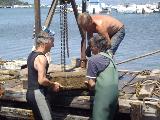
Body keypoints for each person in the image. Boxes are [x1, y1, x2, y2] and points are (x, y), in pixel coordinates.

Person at [26, 29, 62, 120]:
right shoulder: (41, 57)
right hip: (38, 94)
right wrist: (53, 84)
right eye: (52, 42)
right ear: (45, 43)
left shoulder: (31, 54)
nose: (53, 45)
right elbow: (41, 80)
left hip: (30, 92)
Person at [85, 34, 118, 120]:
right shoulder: (111, 57)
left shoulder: (93, 60)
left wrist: (88, 83)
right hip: (114, 96)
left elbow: (92, 84)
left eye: (91, 46)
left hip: (104, 98)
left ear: (97, 47)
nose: (90, 49)